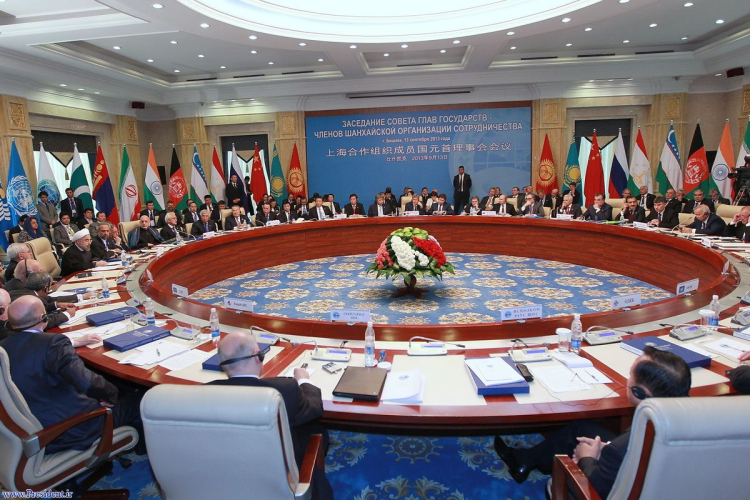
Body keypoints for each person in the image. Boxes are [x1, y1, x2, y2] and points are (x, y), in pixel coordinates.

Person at [494, 346, 691, 499]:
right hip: (667, 476)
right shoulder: (695, 420)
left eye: (631, 374)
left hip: (609, 488)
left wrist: (587, 457)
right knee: (580, 428)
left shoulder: (619, 450)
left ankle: (530, 463)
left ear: (639, 393)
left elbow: (596, 489)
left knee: (581, 447)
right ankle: (526, 460)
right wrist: (608, 446)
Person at [0, 295, 145, 454]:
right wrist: (112, 396)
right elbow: (87, 383)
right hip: (70, 430)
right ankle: (142, 452)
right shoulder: (53, 343)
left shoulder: (3, 347)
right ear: (44, 317)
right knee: (141, 398)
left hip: (28, 429)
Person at [207, 332, 332, 500]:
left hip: (224, 477)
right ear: (257, 356)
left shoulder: (203, 393)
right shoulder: (285, 389)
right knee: (317, 430)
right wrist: (303, 380)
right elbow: (315, 408)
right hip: (281, 481)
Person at [10, 272, 77, 329]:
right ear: (46, 288)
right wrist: (67, 314)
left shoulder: (16, 292)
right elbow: (43, 323)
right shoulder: (37, 301)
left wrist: (56, 305)